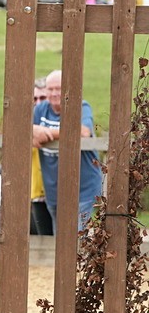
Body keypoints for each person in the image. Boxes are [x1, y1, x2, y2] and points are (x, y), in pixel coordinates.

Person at [32, 70, 104, 233]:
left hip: (82, 187)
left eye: (59, 88)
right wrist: (33, 131)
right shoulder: (40, 110)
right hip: (54, 189)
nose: (54, 93)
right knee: (59, 237)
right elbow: (26, 130)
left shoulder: (80, 106)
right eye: (50, 89)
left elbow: (84, 131)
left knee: (76, 236)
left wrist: (48, 133)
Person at [29, 78, 53, 235]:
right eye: (35, 99)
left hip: (58, 189)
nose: (38, 103)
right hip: (37, 190)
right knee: (43, 237)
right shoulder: (27, 122)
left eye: (42, 98)